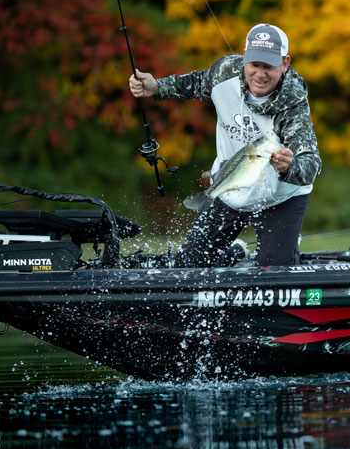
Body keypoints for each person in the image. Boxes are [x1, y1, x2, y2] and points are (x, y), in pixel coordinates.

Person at [129, 24, 321, 267]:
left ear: (285, 63)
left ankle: (285, 247)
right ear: (244, 58)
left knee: (272, 272)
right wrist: (157, 87)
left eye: (268, 67)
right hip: (230, 188)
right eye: (255, 65)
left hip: (280, 198)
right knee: (188, 265)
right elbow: (196, 82)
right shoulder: (225, 72)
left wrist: (289, 166)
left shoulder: (293, 103)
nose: (260, 74)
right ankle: (236, 253)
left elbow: (312, 164)